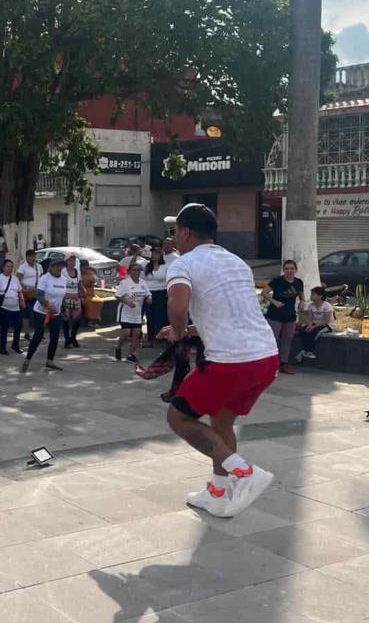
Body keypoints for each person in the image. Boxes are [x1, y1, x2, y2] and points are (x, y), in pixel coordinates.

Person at [161, 203, 278, 518]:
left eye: (175, 231)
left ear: (185, 233)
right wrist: (188, 329)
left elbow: (177, 304)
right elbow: (232, 313)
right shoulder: (237, 262)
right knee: (222, 421)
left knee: (178, 417)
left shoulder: (183, 264)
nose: (173, 237)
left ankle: (244, 473)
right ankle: (217, 491)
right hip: (266, 357)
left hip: (230, 361)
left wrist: (177, 331)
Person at [21, 258, 67, 373]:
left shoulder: (63, 280)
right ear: (51, 267)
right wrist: (47, 304)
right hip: (42, 311)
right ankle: (27, 359)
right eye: (56, 266)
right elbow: (39, 295)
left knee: (55, 337)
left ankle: (50, 361)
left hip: (56, 312)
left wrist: (64, 309)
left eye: (61, 266)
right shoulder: (45, 278)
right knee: (38, 336)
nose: (58, 268)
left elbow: (62, 296)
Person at [262, 260, 304, 374]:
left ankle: (284, 363)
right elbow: (264, 292)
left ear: (296, 270)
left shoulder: (299, 282)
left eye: (292, 268)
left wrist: (302, 301)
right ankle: (271, 363)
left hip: (290, 315)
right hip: (275, 314)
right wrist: (274, 301)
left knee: (287, 339)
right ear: (283, 270)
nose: (289, 271)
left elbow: (301, 294)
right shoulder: (277, 281)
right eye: (287, 269)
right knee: (273, 339)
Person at [115, 263, 151, 363]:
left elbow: (148, 294)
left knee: (137, 334)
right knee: (126, 333)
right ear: (129, 271)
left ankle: (131, 354)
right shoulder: (125, 283)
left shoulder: (143, 283)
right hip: (125, 312)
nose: (136, 272)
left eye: (138, 270)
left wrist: (149, 298)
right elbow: (118, 296)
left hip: (137, 313)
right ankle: (118, 346)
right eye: (134, 270)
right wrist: (127, 302)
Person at [0, 259, 24, 355]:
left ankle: (15, 345)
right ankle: (3, 347)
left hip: (15, 307)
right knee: (4, 328)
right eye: (8, 266)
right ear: (3, 267)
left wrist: (22, 301)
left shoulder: (15, 278)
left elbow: (19, 291)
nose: (10, 269)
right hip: (4, 307)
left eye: (11, 267)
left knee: (17, 327)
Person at [297, 286, 335, 361]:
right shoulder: (311, 305)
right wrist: (309, 325)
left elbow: (326, 321)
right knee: (303, 331)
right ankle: (304, 350)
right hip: (315, 324)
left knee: (315, 333)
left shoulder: (327, 306)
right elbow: (310, 318)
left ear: (320, 296)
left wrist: (313, 327)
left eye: (313, 294)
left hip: (326, 325)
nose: (311, 296)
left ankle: (310, 351)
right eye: (311, 294)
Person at [144, 245, 170, 346]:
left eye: (157, 254)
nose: (155, 256)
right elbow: (144, 281)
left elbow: (169, 280)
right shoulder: (147, 267)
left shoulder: (165, 267)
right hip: (150, 293)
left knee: (160, 316)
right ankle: (151, 338)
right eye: (153, 254)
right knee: (150, 316)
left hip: (161, 292)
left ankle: (161, 337)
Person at [16, 249, 41, 341]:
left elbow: (41, 278)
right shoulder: (23, 267)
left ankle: (38, 332)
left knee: (38, 312)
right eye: (30, 256)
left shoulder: (38, 267)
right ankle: (26, 332)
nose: (32, 258)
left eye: (33, 256)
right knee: (26, 313)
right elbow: (18, 279)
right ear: (27, 257)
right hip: (26, 292)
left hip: (36, 291)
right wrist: (25, 289)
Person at [60, 254, 83, 348]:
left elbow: (79, 283)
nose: (72, 263)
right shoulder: (63, 272)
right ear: (66, 262)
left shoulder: (77, 272)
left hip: (76, 296)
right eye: (70, 261)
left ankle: (73, 337)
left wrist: (82, 291)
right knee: (66, 319)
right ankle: (66, 339)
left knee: (77, 319)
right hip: (66, 296)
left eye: (73, 261)